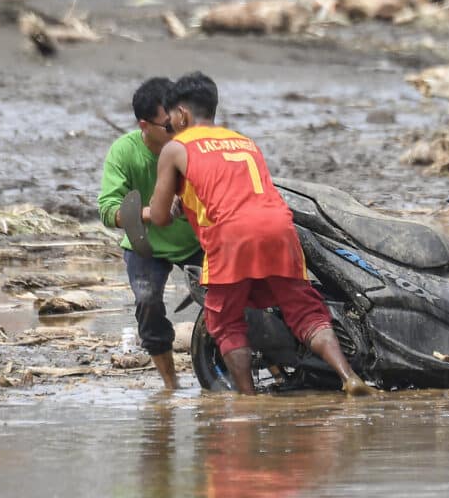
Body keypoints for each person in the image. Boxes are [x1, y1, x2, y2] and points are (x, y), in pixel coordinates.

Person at [147, 72, 370, 396]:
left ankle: (248, 400)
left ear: (181, 114)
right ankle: (348, 377)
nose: (171, 127)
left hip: (231, 233)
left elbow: (158, 216)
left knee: (225, 321)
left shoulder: (176, 148)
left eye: (171, 121)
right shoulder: (244, 141)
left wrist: (169, 210)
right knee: (305, 311)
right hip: (279, 226)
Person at [98, 78, 202, 389]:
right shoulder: (123, 152)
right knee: (147, 302)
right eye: (169, 126)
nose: (178, 131)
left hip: (195, 241)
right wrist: (152, 211)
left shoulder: (194, 147)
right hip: (146, 245)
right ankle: (172, 386)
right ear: (144, 124)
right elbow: (107, 210)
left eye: (181, 121)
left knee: (234, 296)